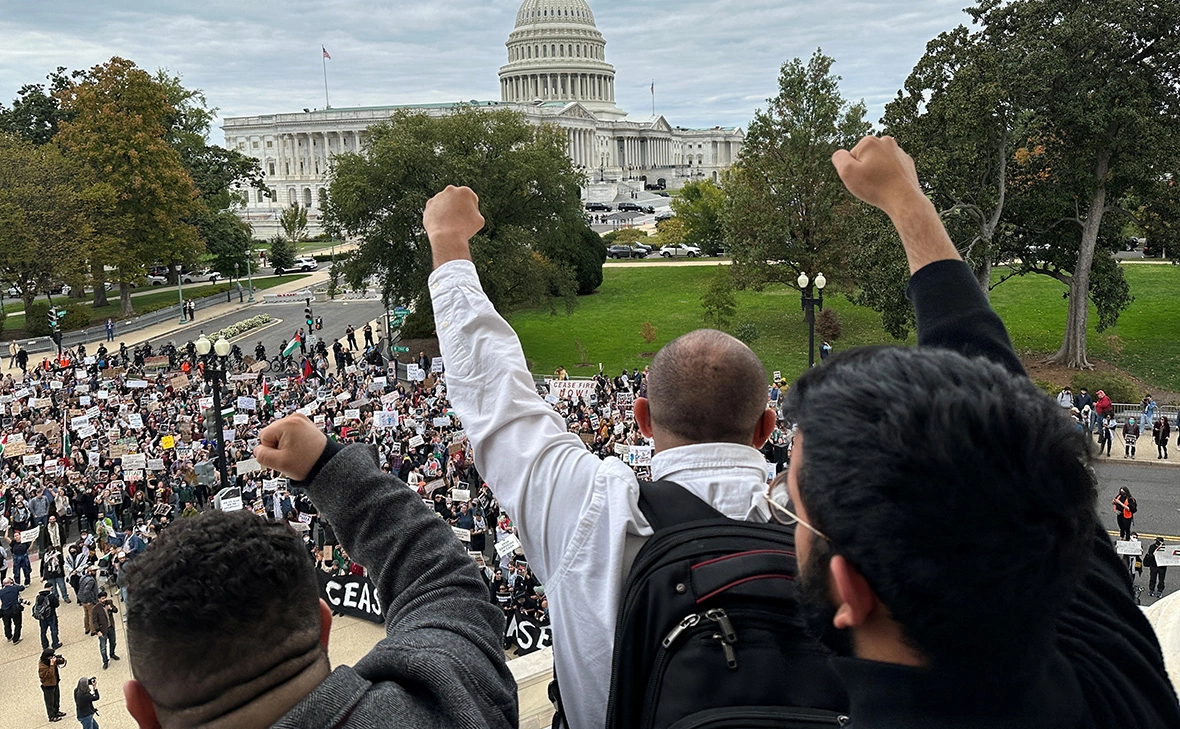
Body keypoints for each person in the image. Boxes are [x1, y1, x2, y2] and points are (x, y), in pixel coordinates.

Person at [776, 134, 1179, 728]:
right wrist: (906, 201)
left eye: (793, 506)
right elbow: (983, 368)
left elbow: (987, 372)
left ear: (852, 590)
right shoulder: (1115, 668)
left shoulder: (1106, 642)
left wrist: (905, 202)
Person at [424, 184, 792, 729]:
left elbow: (495, 396)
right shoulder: (823, 531)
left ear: (640, 419)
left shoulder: (591, 509)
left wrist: (450, 243)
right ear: (766, 427)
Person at [119, 413, 517, 729]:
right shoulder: (450, 697)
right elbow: (441, 584)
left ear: (141, 710)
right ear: (323, 626)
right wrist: (325, 466)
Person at [91, 590, 119, 669]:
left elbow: (116, 610)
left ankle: (112, 654)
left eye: (105, 598)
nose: (104, 600)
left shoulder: (109, 602)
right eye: (102, 598)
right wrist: (98, 631)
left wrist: (110, 608)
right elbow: (94, 621)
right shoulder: (95, 609)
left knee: (113, 642)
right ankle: (105, 661)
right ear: (99, 599)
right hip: (102, 630)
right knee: (103, 647)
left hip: (111, 627)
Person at [39, 647, 67, 722]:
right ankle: (51, 716)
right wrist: (52, 664)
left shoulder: (51, 660)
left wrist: (59, 659)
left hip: (55, 682)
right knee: (50, 702)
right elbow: (49, 675)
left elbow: (62, 662)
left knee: (56, 699)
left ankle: (57, 711)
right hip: (48, 686)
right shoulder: (42, 666)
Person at [34, 581, 62, 650]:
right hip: (51, 615)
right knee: (53, 629)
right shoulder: (51, 596)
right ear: (51, 587)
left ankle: (45, 645)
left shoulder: (39, 596)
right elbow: (56, 605)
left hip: (42, 617)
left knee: (43, 631)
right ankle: (55, 643)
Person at [0, 577, 25, 643]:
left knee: (7, 624)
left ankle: (9, 636)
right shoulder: (15, 588)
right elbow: (22, 587)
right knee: (17, 624)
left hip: (5, 610)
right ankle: (16, 639)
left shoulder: (1, 592)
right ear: (10, 582)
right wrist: (14, 583)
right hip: (15, 609)